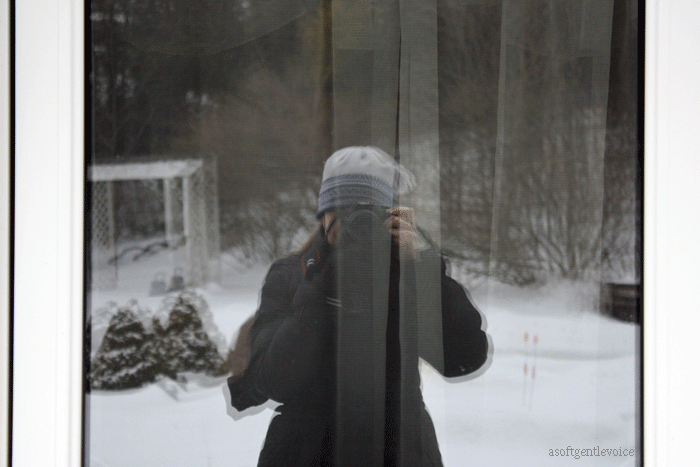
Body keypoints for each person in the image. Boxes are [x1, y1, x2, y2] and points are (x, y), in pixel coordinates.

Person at [227, 146, 489, 466]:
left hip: (399, 447)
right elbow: (270, 380)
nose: (358, 224)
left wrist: (421, 271)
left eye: (370, 213)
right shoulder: (293, 275)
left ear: (392, 216)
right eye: (343, 210)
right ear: (325, 215)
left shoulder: (405, 271)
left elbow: (464, 358)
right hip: (306, 450)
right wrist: (325, 285)